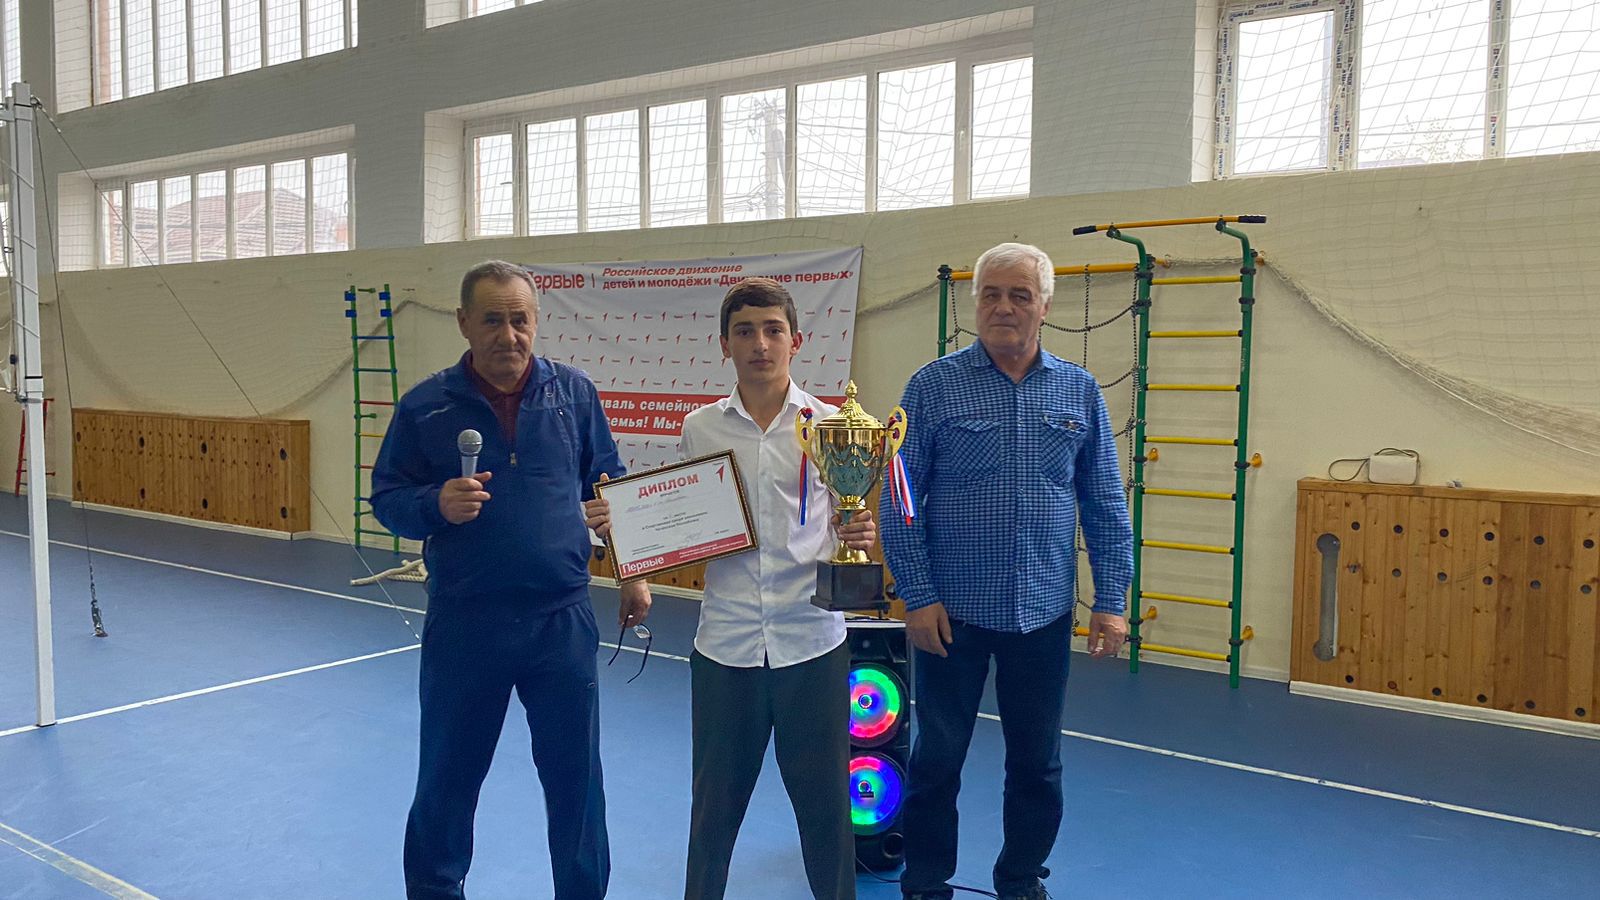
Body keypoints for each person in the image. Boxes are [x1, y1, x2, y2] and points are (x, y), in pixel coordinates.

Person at [585, 277, 874, 900]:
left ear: (796, 341)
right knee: (712, 814)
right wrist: (626, 526)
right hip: (725, 646)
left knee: (826, 813)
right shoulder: (701, 428)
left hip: (812, 644)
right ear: (724, 344)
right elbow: (681, 518)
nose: (760, 344)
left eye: (773, 330)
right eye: (745, 332)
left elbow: (842, 521)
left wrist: (857, 529)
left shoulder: (831, 426)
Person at [372, 260, 652, 900]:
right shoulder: (425, 406)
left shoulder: (574, 394)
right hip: (466, 623)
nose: (508, 334)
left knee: (577, 782)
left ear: (536, 321)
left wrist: (632, 570)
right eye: (492, 320)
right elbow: (387, 498)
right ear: (464, 323)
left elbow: (609, 482)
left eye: (519, 319)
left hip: (562, 622)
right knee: (447, 778)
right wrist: (434, 504)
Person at [878, 243, 1134, 900]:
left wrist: (1111, 601)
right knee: (937, 761)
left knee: (1038, 765)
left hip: (1042, 614)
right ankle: (926, 883)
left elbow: (1105, 500)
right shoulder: (931, 387)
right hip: (950, 616)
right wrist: (917, 594)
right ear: (975, 304)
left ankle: (1020, 880)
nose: (1003, 307)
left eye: (1020, 295)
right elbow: (900, 496)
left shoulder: (1079, 390)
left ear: (1044, 307)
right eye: (991, 293)